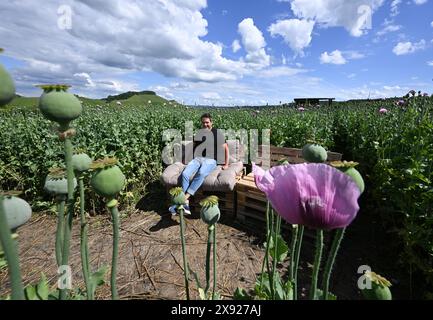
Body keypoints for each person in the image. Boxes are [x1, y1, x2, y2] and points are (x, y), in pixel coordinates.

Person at [169, 113, 229, 214]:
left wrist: (226, 164)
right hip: (197, 158)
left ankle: (183, 199)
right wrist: (186, 157)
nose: (205, 124)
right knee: (184, 174)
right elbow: (193, 145)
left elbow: (226, 148)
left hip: (211, 160)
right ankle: (185, 204)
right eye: (203, 122)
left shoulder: (217, 133)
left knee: (201, 173)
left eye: (207, 122)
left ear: (211, 122)